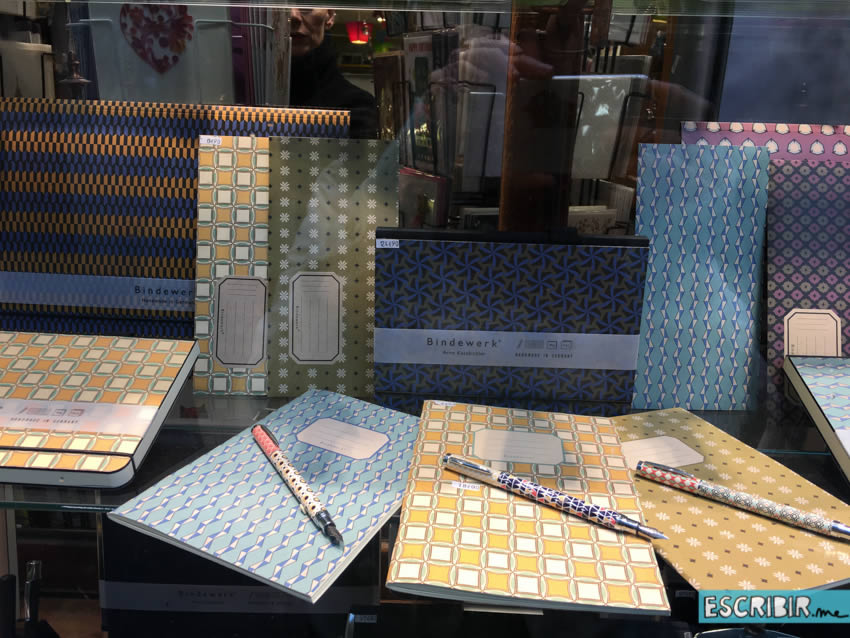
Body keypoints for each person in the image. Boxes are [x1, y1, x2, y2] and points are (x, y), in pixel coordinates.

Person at [288, 9, 379, 139]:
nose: (293, 16)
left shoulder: (358, 106)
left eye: (306, 4)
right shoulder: (358, 105)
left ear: (329, 16)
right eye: (280, 4)